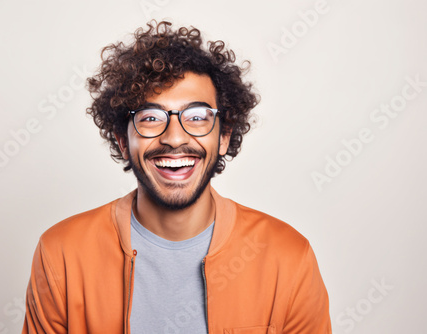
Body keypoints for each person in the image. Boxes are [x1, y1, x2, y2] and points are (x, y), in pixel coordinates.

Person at [22, 20, 331, 334]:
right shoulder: (61, 254)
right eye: (151, 117)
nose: (174, 137)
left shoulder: (289, 257)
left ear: (223, 136)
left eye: (196, 117)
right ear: (122, 141)